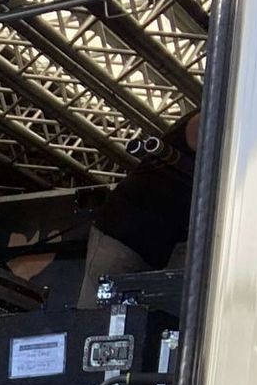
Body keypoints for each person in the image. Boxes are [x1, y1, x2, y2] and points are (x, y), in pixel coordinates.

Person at [77, 109, 202, 307]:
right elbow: (206, 130)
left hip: (168, 242)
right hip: (126, 231)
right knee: (99, 313)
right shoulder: (214, 115)